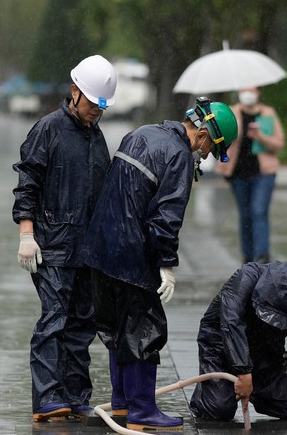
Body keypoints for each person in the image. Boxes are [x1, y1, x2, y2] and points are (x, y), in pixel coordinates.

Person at [83, 97, 238, 431]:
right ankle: (142, 410)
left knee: (115, 328)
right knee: (144, 330)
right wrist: (165, 264)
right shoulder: (179, 156)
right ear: (204, 135)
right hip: (132, 254)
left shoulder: (142, 133)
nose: (205, 155)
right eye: (211, 149)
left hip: (99, 248)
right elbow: (166, 218)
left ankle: (123, 403)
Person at [11, 55, 117, 422]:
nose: (95, 113)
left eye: (101, 108)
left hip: (86, 253)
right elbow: (27, 184)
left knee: (81, 326)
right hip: (52, 248)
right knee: (53, 322)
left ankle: (75, 396)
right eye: (91, 105)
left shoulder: (97, 139)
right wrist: (27, 233)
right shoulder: (48, 130)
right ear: (74, 92)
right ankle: (47, 398)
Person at [189, 261, 287, 422]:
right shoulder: (245, 278)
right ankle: (209, 393)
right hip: (220, 344)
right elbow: (231, 324)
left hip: (266, 348)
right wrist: (243, 372)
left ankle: (252, 388)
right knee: (219, 409)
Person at [217, 86, 286, 263]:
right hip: (237, 173)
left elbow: (279, 144)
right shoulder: (231, 112)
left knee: (259, 211)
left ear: (258, 92)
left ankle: (262, 255)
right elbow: (219, 140)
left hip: (263, 173)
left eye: (251, 90)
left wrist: (260, 136)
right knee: (245, 214)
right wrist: (235, 132)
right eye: (244, 90)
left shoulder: (268, 113)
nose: (247, 94)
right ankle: (247, 258)